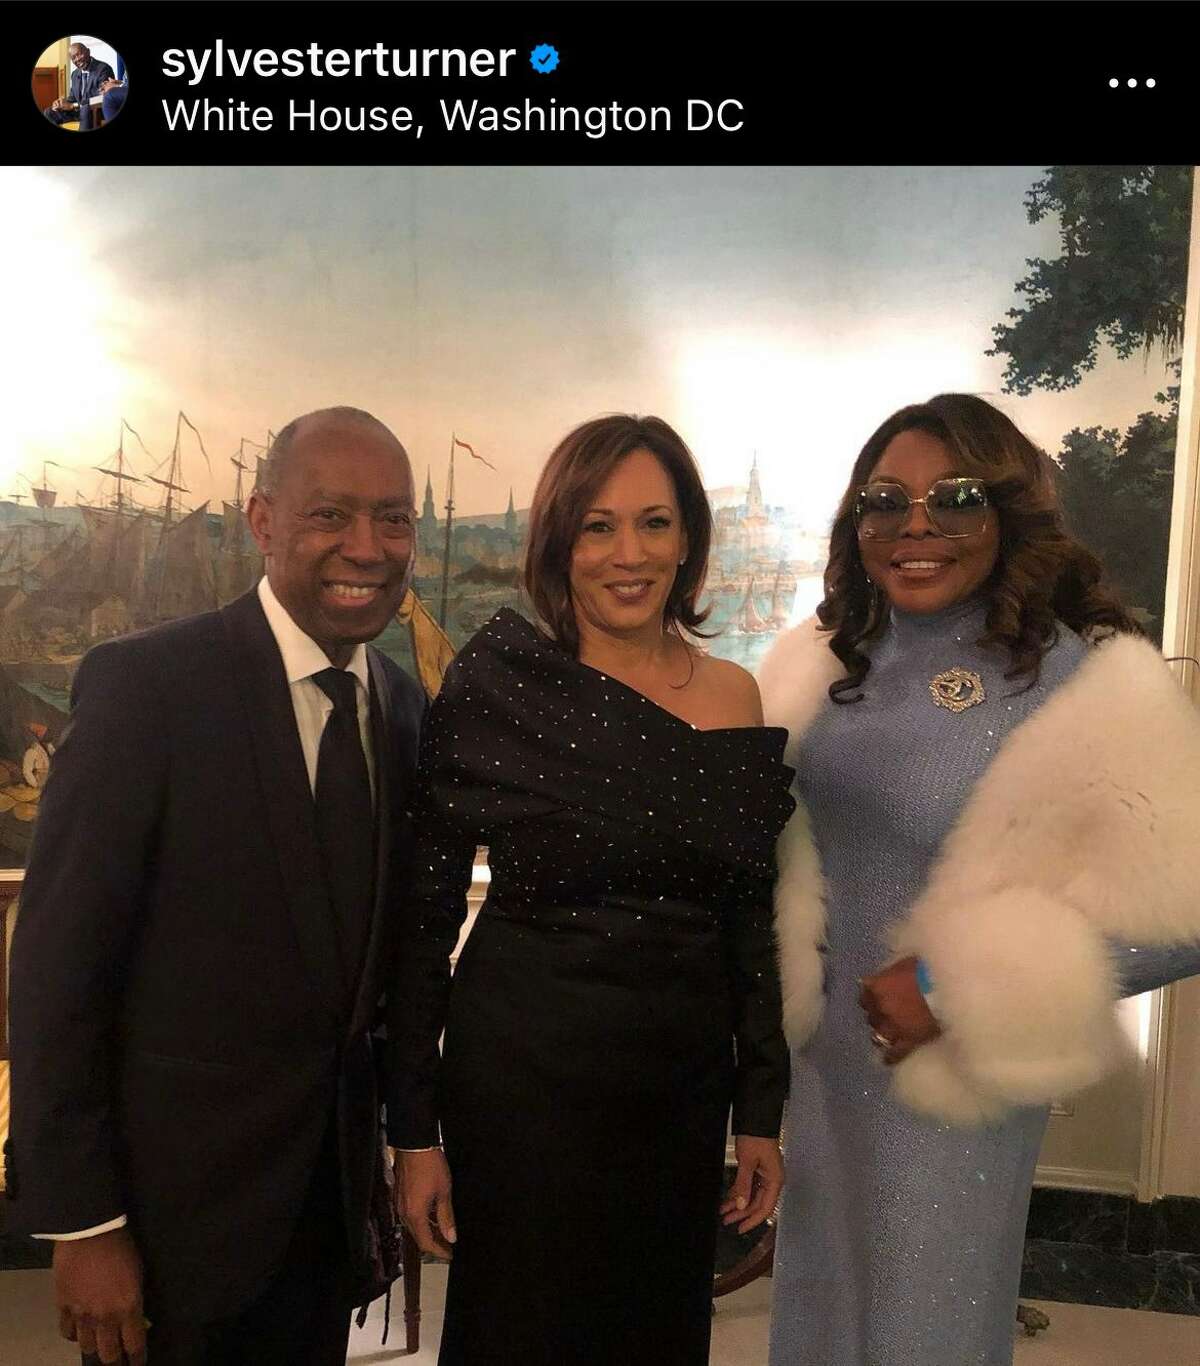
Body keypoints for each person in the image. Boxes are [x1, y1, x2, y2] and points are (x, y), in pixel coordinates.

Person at [758, 393, 1200, 1366]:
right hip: (822, 1076)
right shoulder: (819, 661)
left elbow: (1180, 911)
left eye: (954, 497)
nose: (916, 525)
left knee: (926, 1330)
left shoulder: (1077, 676)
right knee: (822, 1326)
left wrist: (952, 987)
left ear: (1008, 510)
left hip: (952, 1089)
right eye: (886, 500)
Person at [5, 407, 426, 1365]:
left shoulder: (401, 707)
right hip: (167, 1237)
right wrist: (82, 1224)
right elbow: (57, 974)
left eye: (393, 518)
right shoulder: (146, 688)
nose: (366, 546)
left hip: (327, 1229)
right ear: (263, 521)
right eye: (332, 515)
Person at [386, 414, 794, 1365]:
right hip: (523, 1085)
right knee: (520, 1331)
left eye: (654, 523)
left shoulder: (735, 694)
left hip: (678, 1084)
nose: (628, 554)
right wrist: (413, 1130)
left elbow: (749, 918)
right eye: (598, 526)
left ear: (689, 538)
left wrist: (759, 1108)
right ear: (558, 541)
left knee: (652, 1331)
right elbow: (424, 927)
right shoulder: (497, 688)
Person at [44, 43, 114, 128]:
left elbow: (100, 98)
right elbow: (72, 98)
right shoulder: (75, 74)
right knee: (49, 112)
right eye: (73, 58)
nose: (77, 59)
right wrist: (61, 103)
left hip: (94, 112)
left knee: (85, 111)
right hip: (78, 112)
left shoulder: (103, 69)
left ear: (88, 52)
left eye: (79, 54)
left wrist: (73, 106)